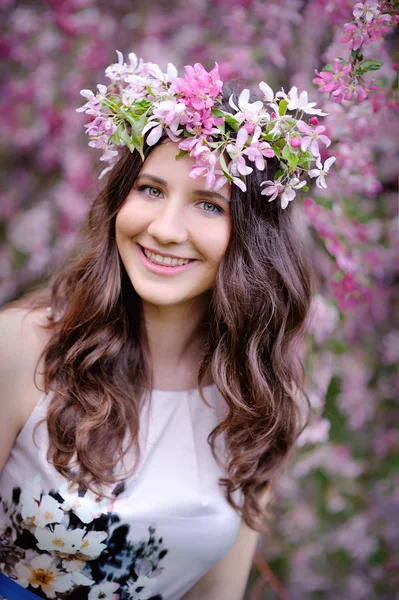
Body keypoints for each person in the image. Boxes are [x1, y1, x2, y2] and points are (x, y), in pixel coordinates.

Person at [0, 54, 330, 600]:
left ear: (254, 240)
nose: (165, 228)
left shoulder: (264, 404)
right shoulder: (24, 349)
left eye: (208, 204)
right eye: (151, 190)